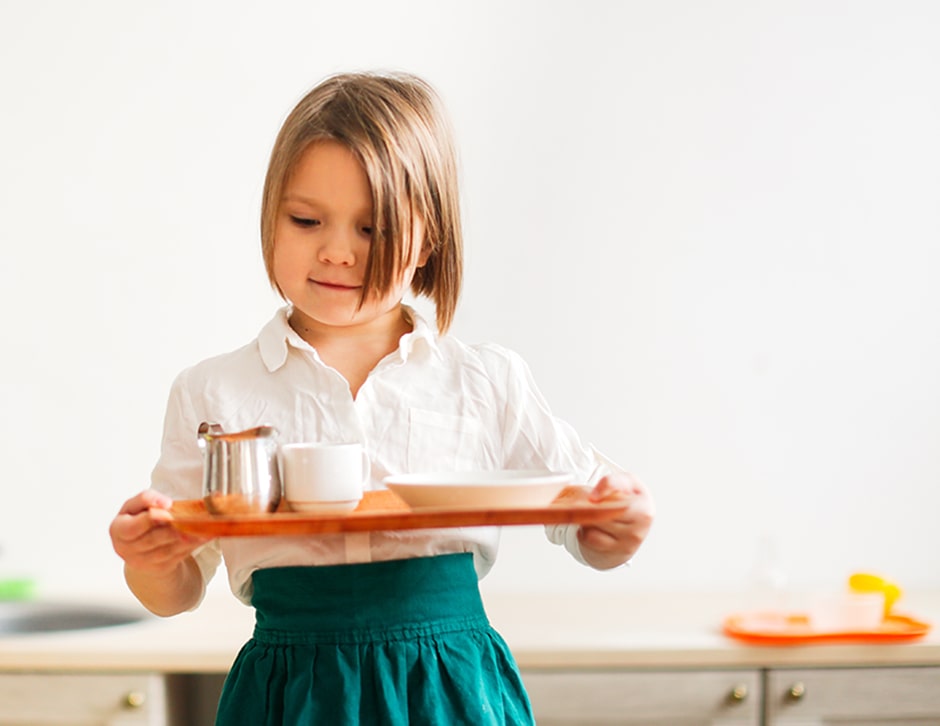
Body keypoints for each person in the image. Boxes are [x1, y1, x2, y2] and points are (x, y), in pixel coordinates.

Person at [109, 71, 654, 725]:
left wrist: (617, 527)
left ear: (428, 239)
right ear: (270, 216)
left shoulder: (484, 380)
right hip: (291, 690)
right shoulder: (211, 391)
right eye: (305, 220)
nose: (337, 251)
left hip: (449, 687)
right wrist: (147, 559)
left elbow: (587, 522)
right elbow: (174, 591)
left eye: (372, 228)